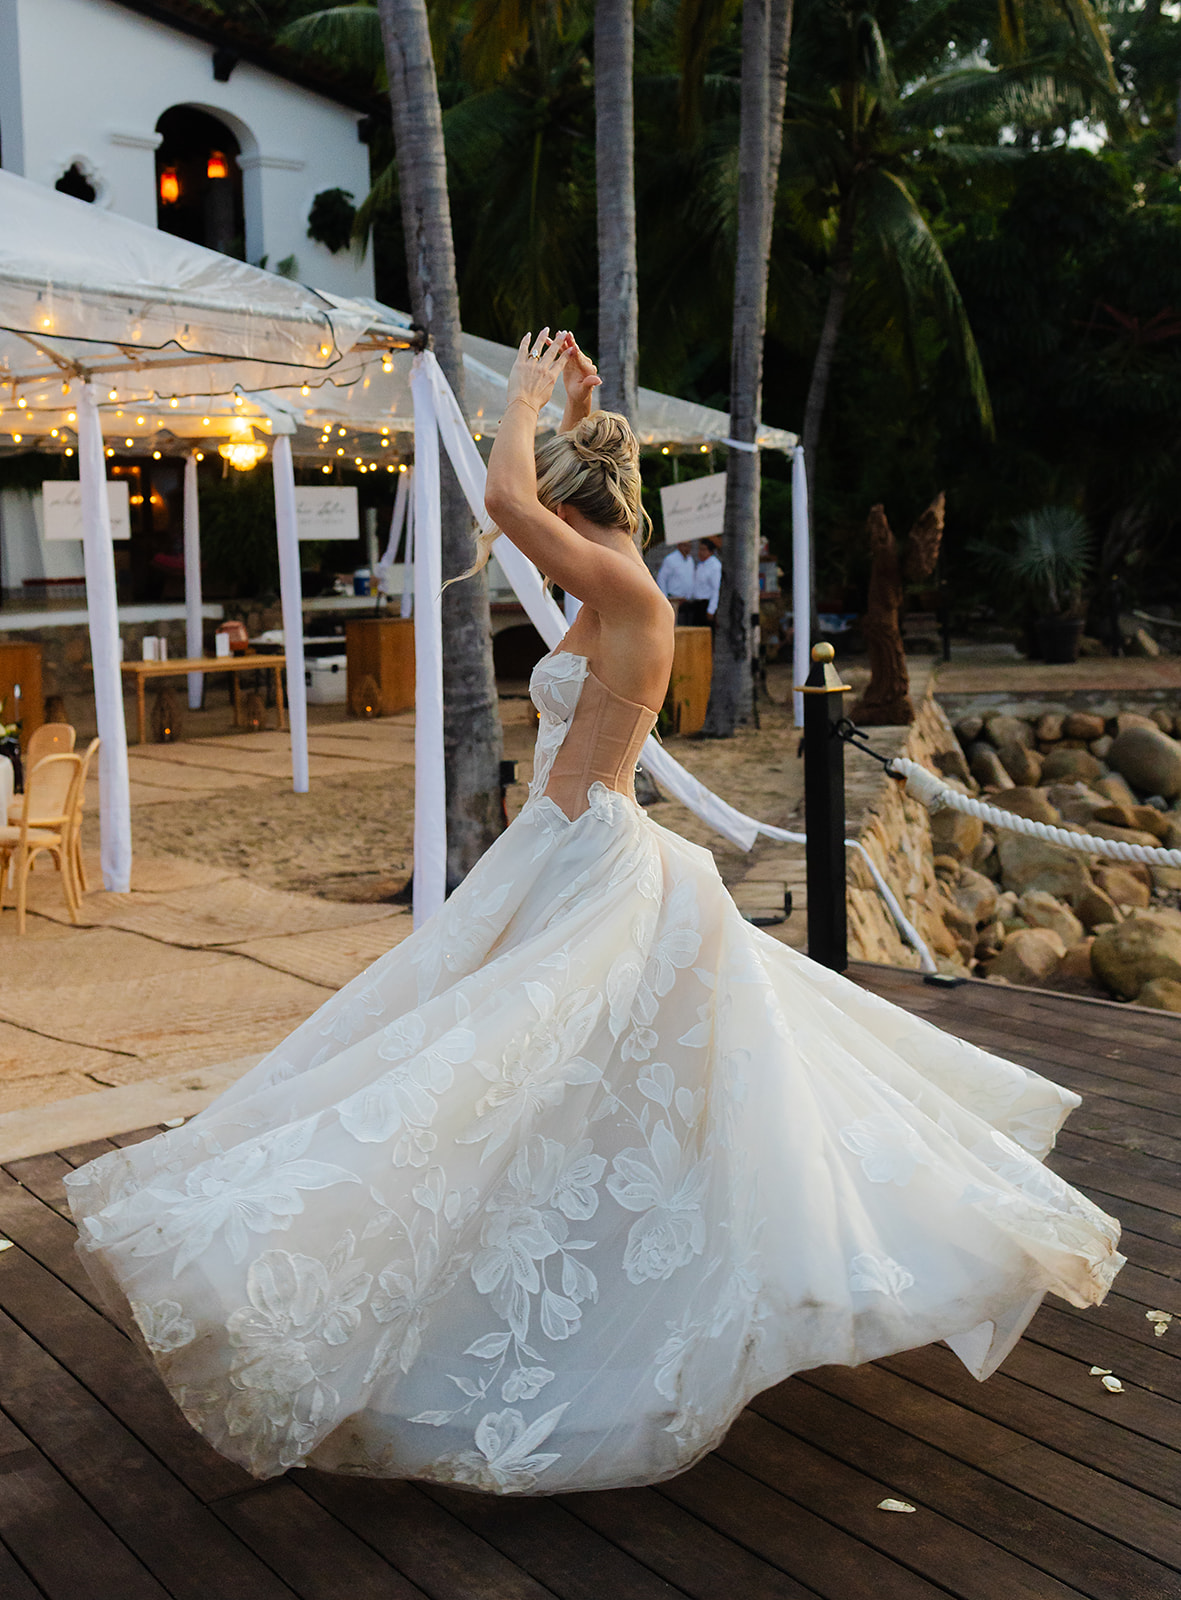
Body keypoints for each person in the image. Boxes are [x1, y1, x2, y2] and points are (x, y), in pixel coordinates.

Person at [64, 328, 1124, 1496]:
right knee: (511, 1077)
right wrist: (575, 402)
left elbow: (508, 496)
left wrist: (513, 404)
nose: (548, 537)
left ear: (585, 510)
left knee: (486, 1071)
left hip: (595, 860)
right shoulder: (610, 585)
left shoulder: (626, 589)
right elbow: (542, 501)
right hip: (553, 852)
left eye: (566, 509)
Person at [656, 541, 696, 618]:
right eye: (685, 546)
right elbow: (662, 578)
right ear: (679, 545)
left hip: (687, 600)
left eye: (689, 546)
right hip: (674, 599)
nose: (687, 549)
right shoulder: (670, 559)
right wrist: (665, 598)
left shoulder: (690, 560)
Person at [689, 537, 722, 626]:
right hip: (697, 603)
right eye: (700, 549)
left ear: (711, 552)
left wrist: (711, 610)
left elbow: (716, 589)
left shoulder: (714, 566)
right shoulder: (701, 565)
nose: (701, 552)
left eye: (704, 550)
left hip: (706, 604)